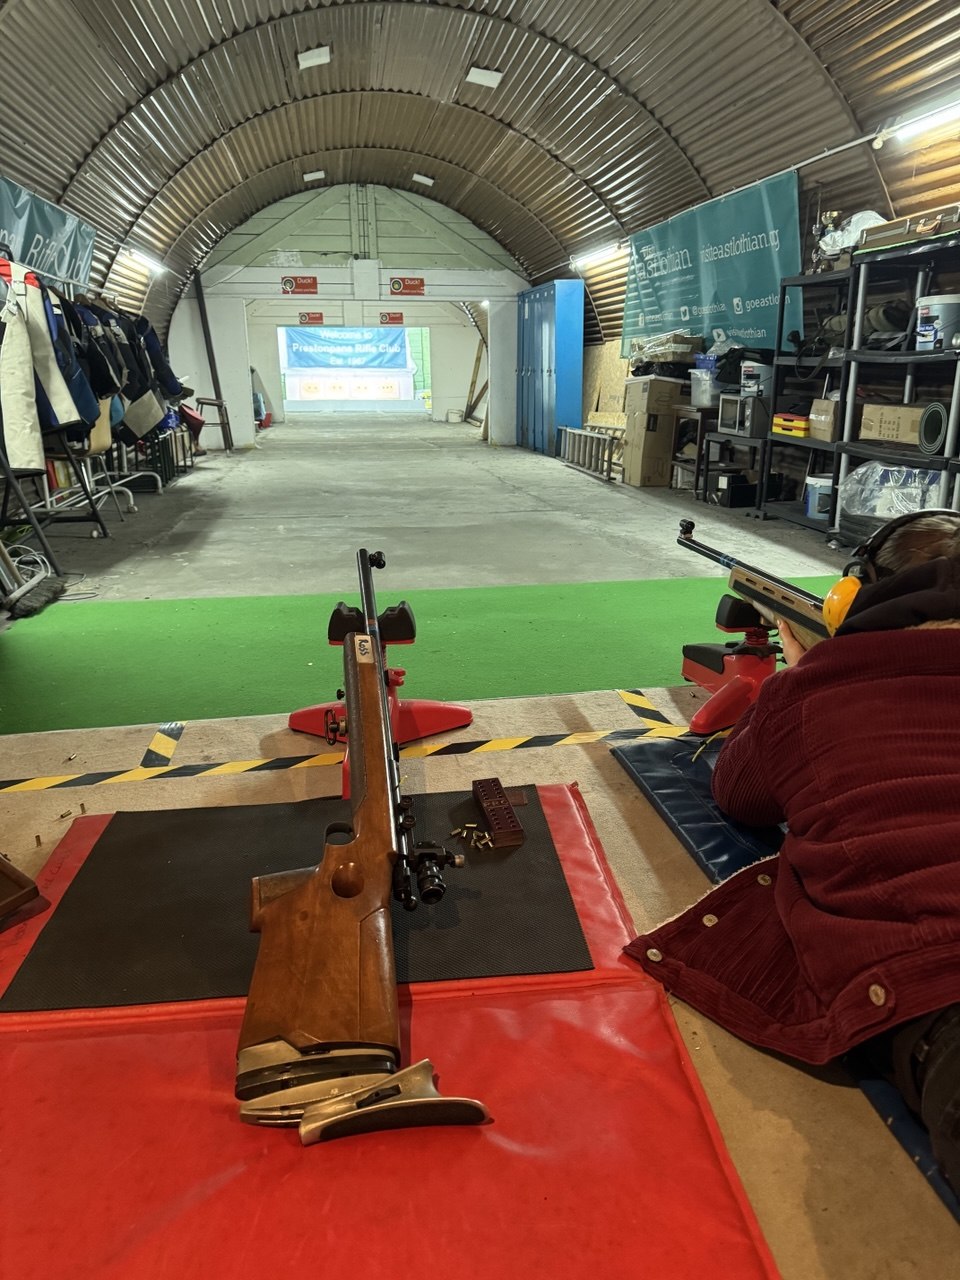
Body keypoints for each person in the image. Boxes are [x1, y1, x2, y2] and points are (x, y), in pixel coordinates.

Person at [629, 511, 960, 1192]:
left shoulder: (814, 687)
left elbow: (739, 792)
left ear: (850, 600)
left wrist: (803, 676)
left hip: (939, 986)